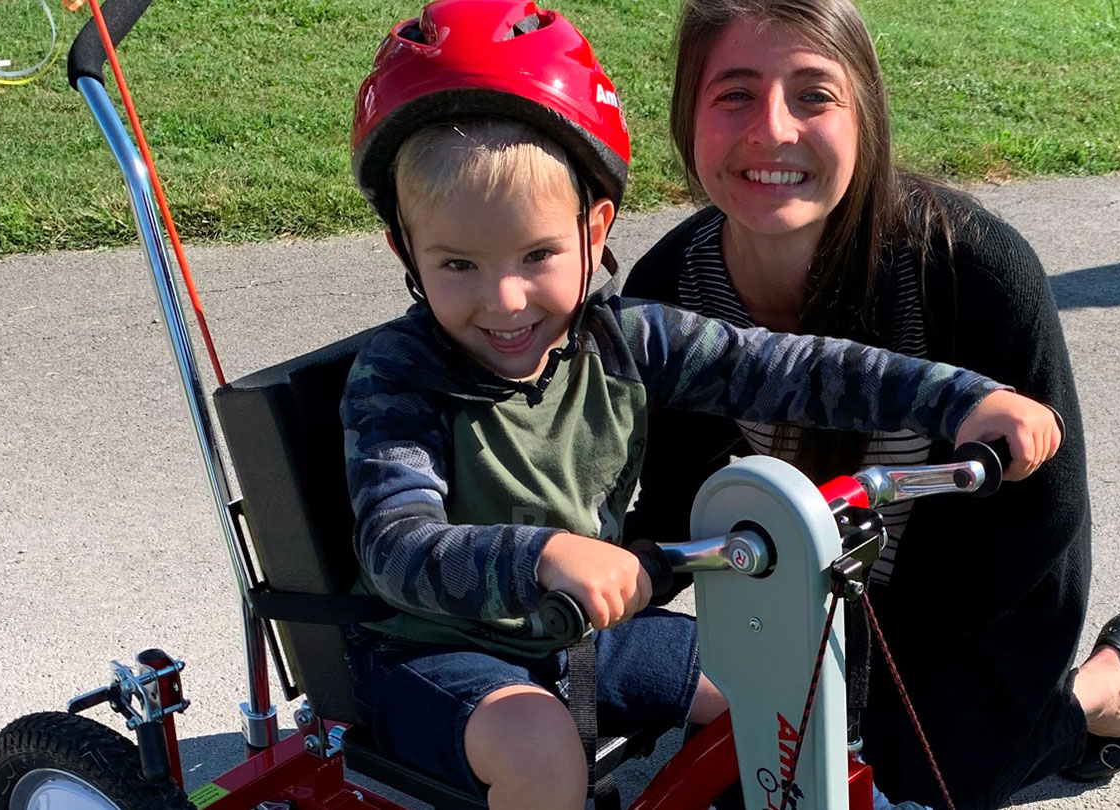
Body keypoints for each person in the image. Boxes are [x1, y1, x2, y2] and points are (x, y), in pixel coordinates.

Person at [338, 2, 1063, 809]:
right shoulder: (398, 375)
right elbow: (395, 545)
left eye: (538, 255)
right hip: (437, 653)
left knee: (779, 675)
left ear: (594, 228)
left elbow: (788, 368)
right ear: (407, 251)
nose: (506, 301)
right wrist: (543, 555)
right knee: (540, 747)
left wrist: (959, 399)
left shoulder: (625, 337)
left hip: (583, 638)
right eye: (458, 265)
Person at [621, 1, 1120, 808]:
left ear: (865, 115)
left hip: (977, 602)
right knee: (764, 777)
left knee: (894, 785)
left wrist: (867, 683)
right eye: (733, 93)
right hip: (811, 600)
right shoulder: (668, 291)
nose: (771, 129)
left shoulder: (972, 271)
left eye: (813, 94)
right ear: (684, 117)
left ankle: (1100, 694)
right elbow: (674, 496)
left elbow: (1039, 524)